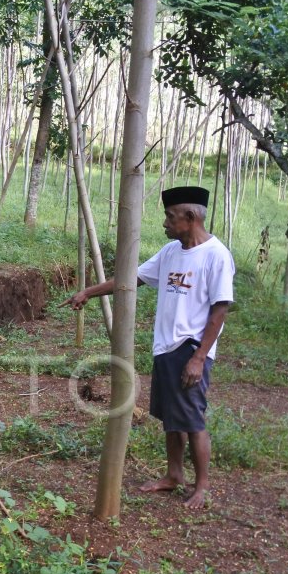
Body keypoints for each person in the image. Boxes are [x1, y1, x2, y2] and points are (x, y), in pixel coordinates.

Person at [64, 186, 235, 510]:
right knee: (172, 417)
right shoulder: (171, 251)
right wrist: (89, 292)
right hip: (166, 348)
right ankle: (173, 475)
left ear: (190, 217)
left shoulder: (216, 255)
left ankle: (201, 487)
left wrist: (199, 358)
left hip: (190, 348)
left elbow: (220, 310)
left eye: (170, 217)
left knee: (192, 419)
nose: (165, 223)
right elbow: (134, 277)